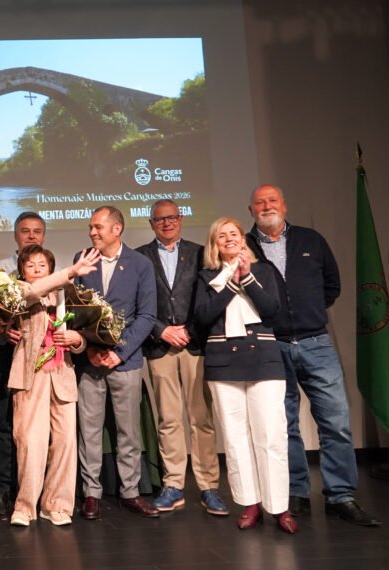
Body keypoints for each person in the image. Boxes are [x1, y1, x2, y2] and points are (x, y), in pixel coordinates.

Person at [246, 184, 381, 527]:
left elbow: (332, 285)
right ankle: (296, 492)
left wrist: (309, 311)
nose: (266, 206)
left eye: (272, 200)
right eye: (259, 202)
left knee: (336, 421)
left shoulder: (311, 240)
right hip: (271, 345)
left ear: (284, 205)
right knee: (284, 425)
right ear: (251, 211)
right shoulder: (244, 247)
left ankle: (341, 496)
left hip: (316, 342)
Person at [194, 216, 297, 534]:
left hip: (264, 359)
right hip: (223, 362)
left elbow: (272, 311)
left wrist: (247, 277)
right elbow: (203, 316)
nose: (228, 239)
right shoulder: (206, 276)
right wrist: (229, 283)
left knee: (271, 436)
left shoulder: (263, 270)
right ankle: (249, 503)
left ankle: (279, 507)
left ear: (243, 239)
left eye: (233, 234)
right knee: (235, 438)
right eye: (221, 235)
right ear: (214, 244)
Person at [136, 200, 227, 516]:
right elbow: (137, 303)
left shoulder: (202, 253)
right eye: (160, 219)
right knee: (169, 419)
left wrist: (189, 329)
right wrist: (162, 330)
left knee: (201, 419)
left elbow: (210, 299)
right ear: (151, 223)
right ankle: (173, 484)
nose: (167, 223)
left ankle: (209, 487)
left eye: (172, 217)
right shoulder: (140, 257)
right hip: (160, 346)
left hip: (194, 344)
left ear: (181, 219)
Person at [75, 206, 159, 519]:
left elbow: (147, 315)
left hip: (126, 361)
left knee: (128, 431)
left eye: (97, 227)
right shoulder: (82, 259)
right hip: (91, 361)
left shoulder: (140, 264)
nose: (92, 233)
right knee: (89, 431)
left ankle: (130, 492)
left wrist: (120, 352)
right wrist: (89, 349)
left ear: (117, 229)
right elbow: (76, 311)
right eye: (90, 227)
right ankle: (91, 493)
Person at [7, 246, 96, 527]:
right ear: (22, 271)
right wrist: (71, 271)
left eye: (42, 265)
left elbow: (84, 332)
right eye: (30, 265)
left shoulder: (67, 295)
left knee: (65, 441)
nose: (36, 269)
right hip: (30, 373)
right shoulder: (18, 289)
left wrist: (78, 340)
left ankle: (57, 504)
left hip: (62, 373)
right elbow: (31, 293)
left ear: (50, 268)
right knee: (30, 442)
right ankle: (25, 507)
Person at [0, 211, 46, 516]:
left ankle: (35, 490)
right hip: (9, 355)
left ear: (43, 236)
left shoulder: (49, 270)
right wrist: (1, 329)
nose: (31, 236)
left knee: (38, 428)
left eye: (37, 231)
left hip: (44, 360)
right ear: (15, 235)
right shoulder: (1, 272)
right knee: (5, 424)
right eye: (25, 231)